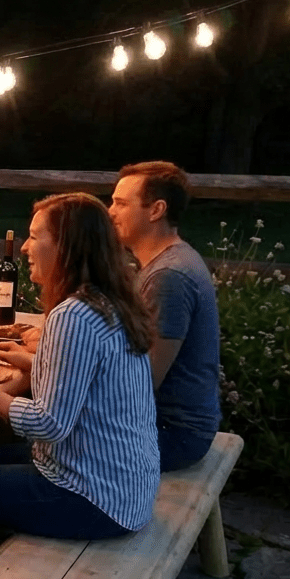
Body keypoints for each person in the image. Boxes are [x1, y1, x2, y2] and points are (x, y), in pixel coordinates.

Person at [0, 193, 159, 579]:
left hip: (95, 496)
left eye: (35, 237)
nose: (26, 248)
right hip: (124, 480)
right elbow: (89, 382)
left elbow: (49, 423)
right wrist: (32, 362)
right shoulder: (106, 302)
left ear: (65, 246)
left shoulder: (72, 316)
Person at [109, 161, 220, 471]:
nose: (109, 212)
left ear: (156, 210)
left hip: (171, 434)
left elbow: (141, 382)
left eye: (120, 203)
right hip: (167, 426)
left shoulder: (169, 276)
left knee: (47, 440)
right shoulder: (167, 263)